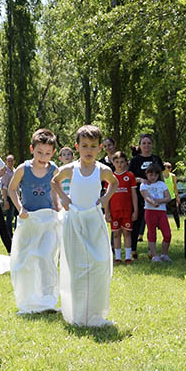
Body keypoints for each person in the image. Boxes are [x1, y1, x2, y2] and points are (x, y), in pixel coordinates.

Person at [53, 125, 117, 327]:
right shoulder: (71, 169)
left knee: (98, 264)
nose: (89, 150)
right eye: (85, 146)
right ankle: (78, 315)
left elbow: (114, 183)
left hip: (94, 220)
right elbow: (55, 181)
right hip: (75, 221)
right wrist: (64, 198)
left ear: (99, 148)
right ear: (77, 147)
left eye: (93, 146)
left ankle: (96, 313)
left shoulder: (103, 170)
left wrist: (105, 198)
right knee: (78, 267)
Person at [9, 128, 62, 313]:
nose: (43, 157)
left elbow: (54, 190)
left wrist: (57, 206)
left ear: (53, 153)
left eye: (47, 153)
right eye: (39, 152)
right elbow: (11, 189)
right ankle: (27, 297)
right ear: (32, 149)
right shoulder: (23, 169)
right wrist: (20, 208)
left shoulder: (54, 169)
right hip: (29, 220)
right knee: (26, 259)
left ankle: (47, 298)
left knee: (46, 257)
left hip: (47, 220)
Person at [128, 133, 164, 259]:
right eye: (144, 143)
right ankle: (133, 250)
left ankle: (151, 250)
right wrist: (141, 180)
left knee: (152, 224)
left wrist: (163, 191)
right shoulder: (135, 160)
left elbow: (161, 177)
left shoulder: (156, 159)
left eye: (149, 143)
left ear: (152, 145)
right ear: (140, 145)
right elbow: (130, 178)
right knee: (137, 222)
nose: (146, 145)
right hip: (138, 196)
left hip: (154, 196)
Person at [107, 150, 138, 263]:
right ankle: (118, 257)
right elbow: (107, 196)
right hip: (114, 211)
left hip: (127, 210)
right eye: (117, 162)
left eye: (122, 162)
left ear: (126, 163)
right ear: (113, 162)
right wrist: (107, 212)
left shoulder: (130, 176)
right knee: (116, 234)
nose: (119, 164)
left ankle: (128, 257)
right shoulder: (110, 177)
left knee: (127, 232)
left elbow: (134, 195)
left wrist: (135, 210)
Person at [0, 155, 17, 232]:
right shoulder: (5, 173)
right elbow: (3, 187)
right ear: (5, 162)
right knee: (9, 218)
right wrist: (5, 200)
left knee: (18, 216)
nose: (10, 162)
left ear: (14, 161)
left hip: (16, 197)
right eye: (8, 161)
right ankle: (9, 235)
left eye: (11, 161)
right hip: (9, 198)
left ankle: (16, 233)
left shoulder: (15, 171)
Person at [162, 161, 181, 229]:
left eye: (170, 167)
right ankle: (161, 227)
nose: (170, 168)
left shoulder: (173, 176)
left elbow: (175, 187)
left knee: (175, 212)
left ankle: (178, 226)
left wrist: (177, 197)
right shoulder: (160, 176)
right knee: (162, 213)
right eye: (168, 167)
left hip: (172, 197)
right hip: (163, 198)